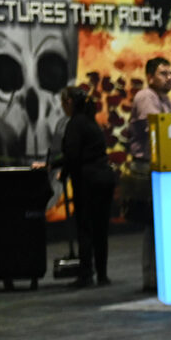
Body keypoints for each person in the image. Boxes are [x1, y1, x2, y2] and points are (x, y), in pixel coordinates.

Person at [54, 85, 116, 288]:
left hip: (87, 181)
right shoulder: (91, 123)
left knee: (85, 227)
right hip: (104, 178)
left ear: (69, 102)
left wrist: (59, 170)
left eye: (63, 103)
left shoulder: (75, 124)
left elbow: (73, 155)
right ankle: (103, 274)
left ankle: (86, 274)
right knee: (101, 228)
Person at [128, 56, 171, 292]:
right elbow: (158, 128)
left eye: (170, 73)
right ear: (150, 77)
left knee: (157, 224)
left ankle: (157, 275)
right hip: (147, 167)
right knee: (153, 223)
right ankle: (152, 278)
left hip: (159, 166)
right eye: (163, 73)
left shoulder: (164, 99)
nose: (169, 78)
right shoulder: (147, 97)